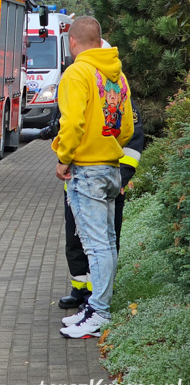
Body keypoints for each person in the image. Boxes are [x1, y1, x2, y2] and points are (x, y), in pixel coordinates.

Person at [52, 16, 133, 339]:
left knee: (96, 246)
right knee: (108, 243)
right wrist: (109, 147)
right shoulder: (117, 75)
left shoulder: (77, 73)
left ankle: (98, 311)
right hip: (111, 167)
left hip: (86, 170)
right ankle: (98, 306)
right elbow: (126, 127)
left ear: (72, 42)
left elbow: (71, 124)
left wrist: (63, 157)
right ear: (99, 40)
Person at [42, 99, 143, 309]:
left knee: (102, 242)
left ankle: (99, 293)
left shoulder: (116, 96)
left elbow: (132, 143)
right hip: (75, 185)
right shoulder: (81, 93)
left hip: (105, 185)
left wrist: (121, 178)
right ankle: (80, 289)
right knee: (75, 240)